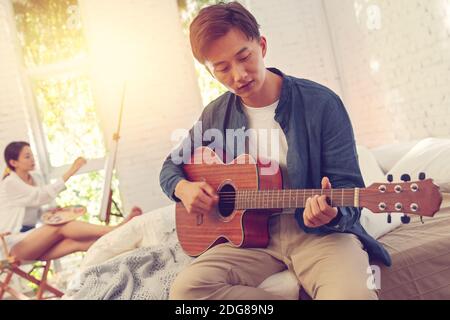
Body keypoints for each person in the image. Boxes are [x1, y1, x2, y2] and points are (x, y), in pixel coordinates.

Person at [159, 2, 391, 300]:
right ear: (209, 71)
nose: (239, 74)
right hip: (250, 239)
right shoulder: (215, 115)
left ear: (262, 46)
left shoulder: (321, 104)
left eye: (245, 57)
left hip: (318, 236)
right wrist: (183, 188)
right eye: (222, 68)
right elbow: (170, 167)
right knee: (186, 290)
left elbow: (349, 188)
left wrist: (332, 213)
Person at [0, 141, 142, 261]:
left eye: (31, 155)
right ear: (13, 162)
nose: (32, 159)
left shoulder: (34, 179)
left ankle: (126, 248)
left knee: (76, 243)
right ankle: (115, 230)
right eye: (27, 156)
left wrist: (53, 212)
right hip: (13, 245)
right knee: (60, 226)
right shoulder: (10, 183)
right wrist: (71, 170)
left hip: (33, 241)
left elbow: (35, 211)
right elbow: (40, 195)